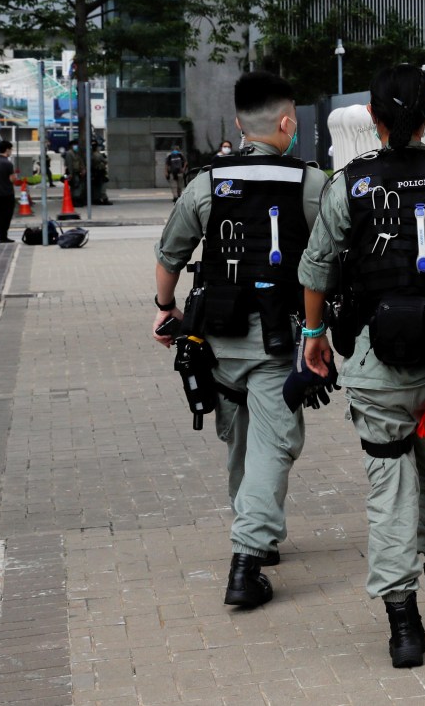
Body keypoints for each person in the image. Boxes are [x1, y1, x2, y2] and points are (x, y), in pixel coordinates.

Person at [297, 64, 425, 669]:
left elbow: (315, 270)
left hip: (371, 364)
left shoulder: (347, 185)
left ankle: (403, 627)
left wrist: (313, 337)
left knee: (389, 491)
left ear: (372, 119)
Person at [153, 71, 328, 608]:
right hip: (279, 339)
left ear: (237, 124)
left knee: (240, 437)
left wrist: (166, 310)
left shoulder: (206, 182)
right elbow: (329, 260)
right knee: (274, 444)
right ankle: (248, 559)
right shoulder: (311, 183)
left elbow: (169, 256)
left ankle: (255, 530)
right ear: (285, 122)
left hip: (215, 337)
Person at [0, 140, 18, 243]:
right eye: (11, 149)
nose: (11, 151)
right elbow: (12, 179)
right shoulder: (7, 163)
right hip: (7, 193)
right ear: (7, 149)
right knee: (7, 215)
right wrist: (15, 176)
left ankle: (1, 235)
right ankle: (3, 236)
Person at [64, 139, 85, 207]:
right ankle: (74, 200)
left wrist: (83, 169)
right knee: (75, 186)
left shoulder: (76, 153)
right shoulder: (69, 153)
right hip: (73, 172)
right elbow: (69, 164)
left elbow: (80, 162)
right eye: (75, 145)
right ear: (71, 146)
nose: (76, 146)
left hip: (77, 172)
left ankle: (77, 199)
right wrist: (70, 174)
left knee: (78, 186)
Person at [91, 139, 112, 205]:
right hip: (99, 172)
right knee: (102, 187)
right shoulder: (98, 155)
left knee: (96, 187)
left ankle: (96, 199)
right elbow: (105, 161)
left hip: (94, 173)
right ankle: (104, 199)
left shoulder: (90, 154)